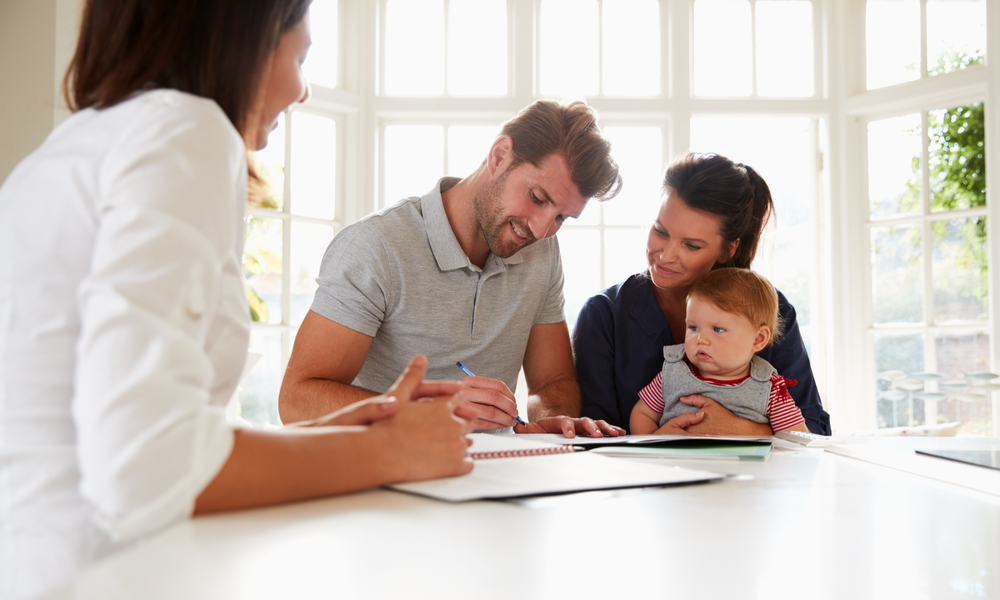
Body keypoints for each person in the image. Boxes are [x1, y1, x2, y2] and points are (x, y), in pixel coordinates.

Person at [0, 2, 475, 598]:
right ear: (243, 38)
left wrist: (332, 435)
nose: (302, 91)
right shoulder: (185, 130)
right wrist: (386, 452)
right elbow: (147, 468)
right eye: (300, 56)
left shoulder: (76, 143)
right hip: (94, 575)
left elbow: (118, 431)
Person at [279, 99, 627, 438]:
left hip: (491, 475)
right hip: (382, 473)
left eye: (561, 217)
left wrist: (550, 421)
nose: (540, 230)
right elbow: (297, 400)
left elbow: (552, 382)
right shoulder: (375, 246)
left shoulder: (543, 252)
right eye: (537, 198)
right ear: (499, 155)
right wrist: (426, 409)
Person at [573, 152, 832, 435]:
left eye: (692, 245)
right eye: (660, 231)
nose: (666, 255)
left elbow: (813, 433)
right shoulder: (604, 315)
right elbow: (594, 437)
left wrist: (740, 429)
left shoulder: (770, 311)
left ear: (728, 249)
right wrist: (654, 443)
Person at [630, 268, 809, 435]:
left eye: (718, 329)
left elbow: (797, 438)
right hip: (677, 466)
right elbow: (642, 414)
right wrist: (654, 441)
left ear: (758, 339)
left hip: (743, 468)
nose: (701, 339)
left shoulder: (769, 388)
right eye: (693, 327)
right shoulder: (673, 371)